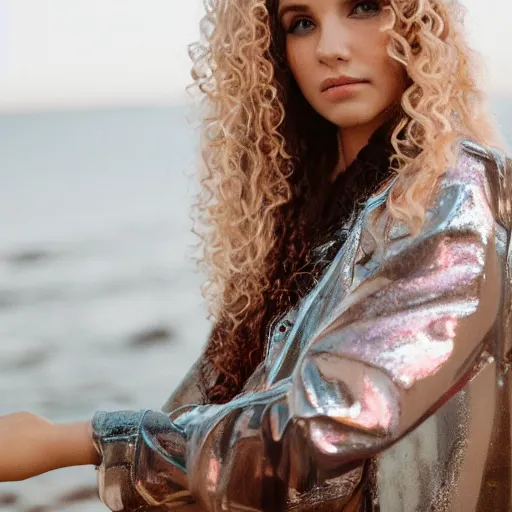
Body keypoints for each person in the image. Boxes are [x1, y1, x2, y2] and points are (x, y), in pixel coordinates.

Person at [1, 0, 511, 510]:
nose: (330, 49)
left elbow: (321, 430)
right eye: (302, 24)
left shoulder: (450, 189)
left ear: (417, 23)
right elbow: (207, 407)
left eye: (364, 7)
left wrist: (73, 441)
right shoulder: (301, 217)